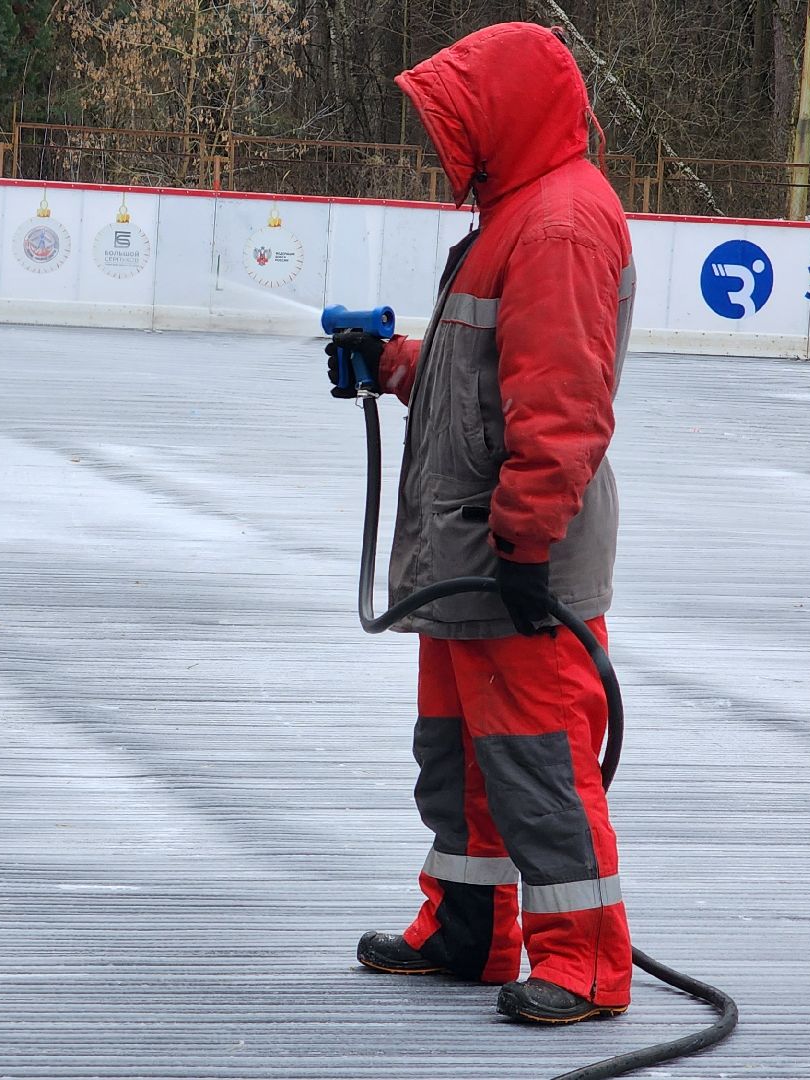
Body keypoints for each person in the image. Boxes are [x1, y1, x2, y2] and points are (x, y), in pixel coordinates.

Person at [323, 22, 636, 1024]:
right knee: (458, 754)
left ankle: (585, 963)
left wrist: (525, 547)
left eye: (453, 120)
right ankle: (466, 930)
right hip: (471, 551)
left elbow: (561, 410)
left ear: (502, 113)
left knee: (538, 760)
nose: (439, 143)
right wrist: (395, 364)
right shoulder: (515, 216)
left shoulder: (556, 227)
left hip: (514, 554)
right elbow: (484, 388)